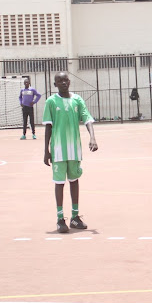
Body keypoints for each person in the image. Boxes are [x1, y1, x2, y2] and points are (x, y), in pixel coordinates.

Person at [43, 72, 98, 233]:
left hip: (74, 148)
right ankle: (60, 219)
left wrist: (92, 137)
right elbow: (48, 126)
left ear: (69, 81)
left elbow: (87, 118)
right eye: (59, 81)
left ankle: (75, 217)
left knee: (74, 180)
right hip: (58, 149)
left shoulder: (77, 100)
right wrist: (46, 150)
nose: (63, 82)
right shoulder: (51, 102)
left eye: (65, 80)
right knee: (59, 183)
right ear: (55, 85)